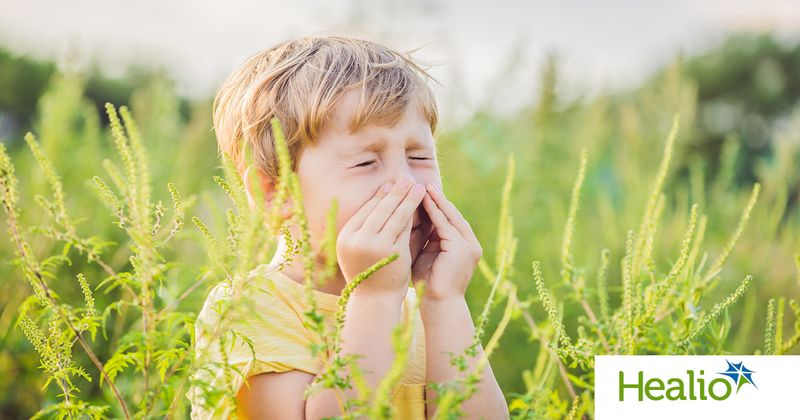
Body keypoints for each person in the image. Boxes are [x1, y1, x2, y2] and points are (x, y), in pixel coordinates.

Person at [188, 33, 509, 419]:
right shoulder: (248, 309)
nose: (406, 184)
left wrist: (444, 302)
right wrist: (373, 297)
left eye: (419, 156)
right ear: (277, 193)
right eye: (365, 163)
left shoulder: (420, 312)